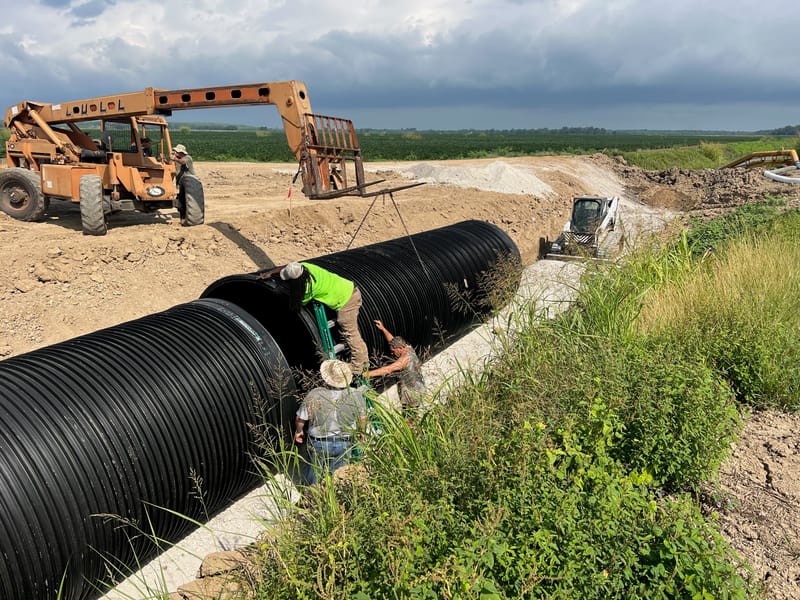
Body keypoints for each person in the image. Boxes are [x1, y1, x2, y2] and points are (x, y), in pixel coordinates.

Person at [257, 262, 369, 374]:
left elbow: (296, 305)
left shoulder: (308, 289)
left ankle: (358, 366)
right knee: (350, 332)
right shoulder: (305, 266)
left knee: (350, 333)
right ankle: (363, 361)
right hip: (347, 287)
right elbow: (287, 266)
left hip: (347, 300)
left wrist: (283, 292)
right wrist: (269, 273)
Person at [295, 359, 368, 484]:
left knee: (314, 474)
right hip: (344, 442)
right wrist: (362, 432)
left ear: (326, 378)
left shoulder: (315, 394)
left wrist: (298, 431)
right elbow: (362, 418)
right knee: (339, 478)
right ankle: (335, 500)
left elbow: (300, 418)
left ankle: (314, 499)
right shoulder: (355, 394)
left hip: (319, 443)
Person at [366, 320, 426, 416]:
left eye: (393, 351)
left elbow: (387, 369)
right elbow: (392, 340)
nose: (392, 353)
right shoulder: (408, 348)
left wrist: (367, 374)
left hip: (412, 393)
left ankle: (412, 428)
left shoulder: (403, 360)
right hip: (419, 387)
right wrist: (383, 329)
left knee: (410, 416)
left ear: (400, 348)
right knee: (411, 414)